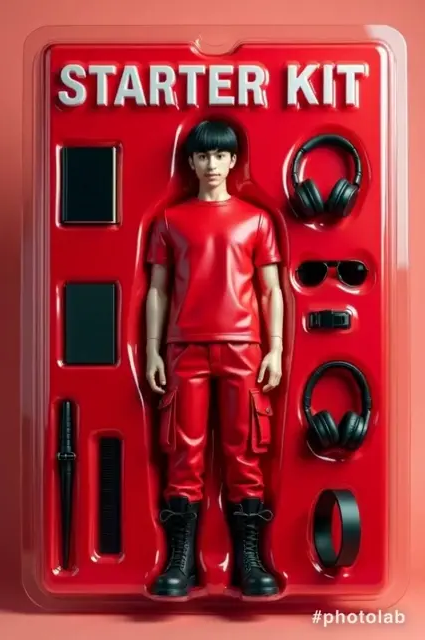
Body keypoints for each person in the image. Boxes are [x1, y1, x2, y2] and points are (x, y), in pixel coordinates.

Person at [145, 119, 284, 597]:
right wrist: (153, 350)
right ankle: (179, 563)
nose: (212, 164)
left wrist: (275, 348)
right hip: (184, 348)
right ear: (191, 161)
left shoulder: (257, 220)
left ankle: (250, 562)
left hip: (243, 347)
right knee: (184, 456)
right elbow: (158, 290)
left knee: (245, 454)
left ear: (233, 160)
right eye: (203, 156)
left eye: (220, 155)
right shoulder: (170, 220)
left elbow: (270, 289)